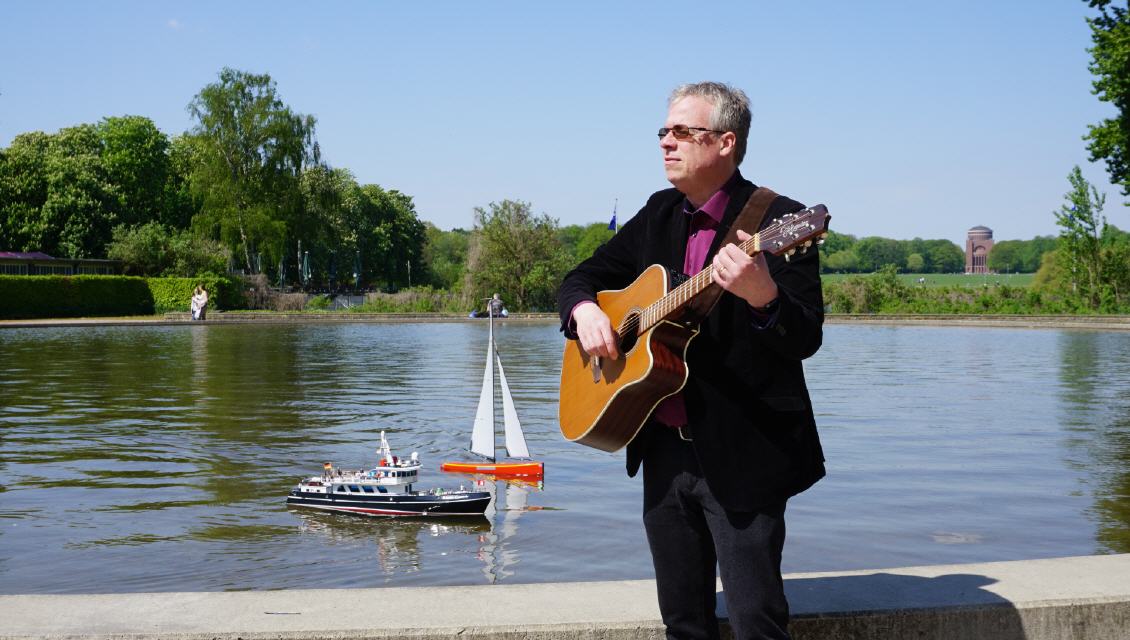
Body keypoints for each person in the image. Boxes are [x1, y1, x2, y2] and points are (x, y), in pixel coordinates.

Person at [557, 82, 826, 640]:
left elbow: (805, 336)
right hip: (661, 453)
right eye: (664, 131)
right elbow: (580, 278)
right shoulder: (659, 213)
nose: (666, 143)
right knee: (682, 622)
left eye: (683, 131)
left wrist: (763, 297)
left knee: (757, 622)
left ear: (725, 143)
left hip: (744, 453)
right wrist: (585, 312)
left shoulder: (783, 220)